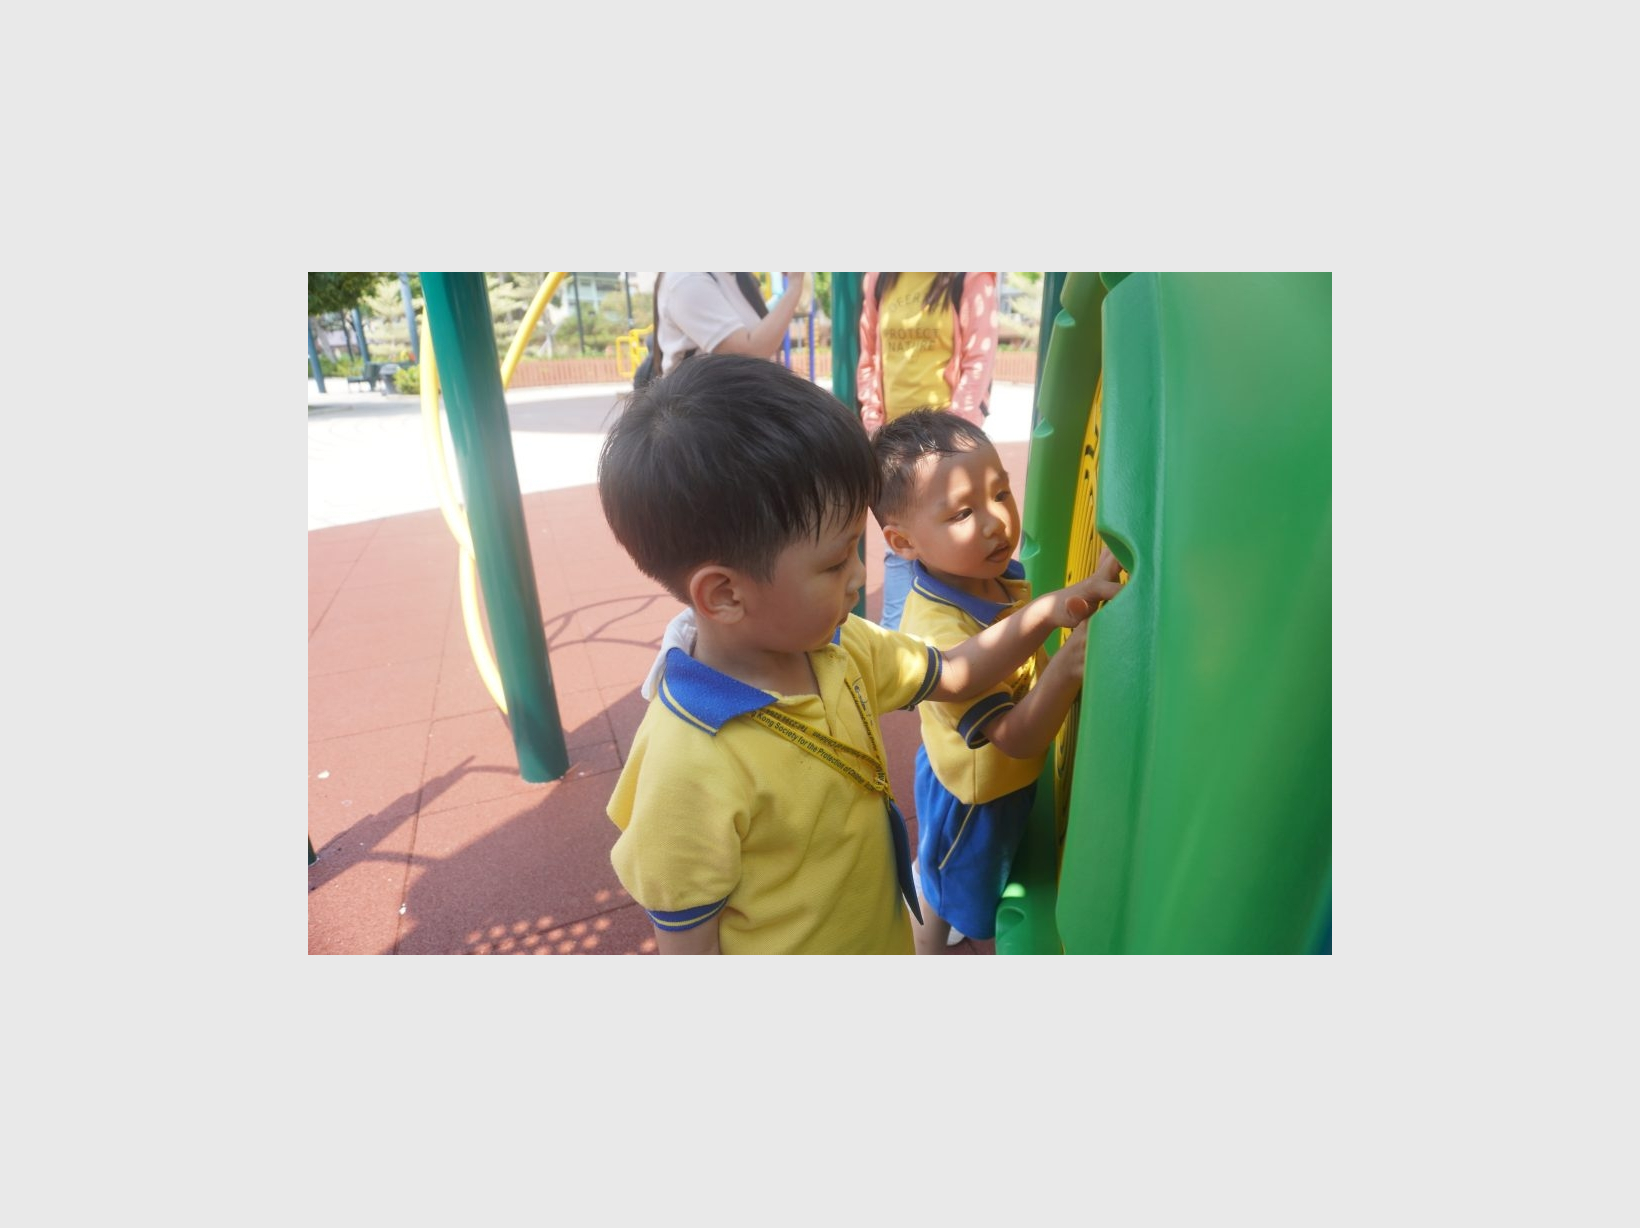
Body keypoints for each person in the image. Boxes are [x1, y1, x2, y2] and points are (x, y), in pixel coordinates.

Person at [597, 354, 1123, 955]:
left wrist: (1052, 611)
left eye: (857, 550)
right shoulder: (686, 766)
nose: (858, 579)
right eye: (834, 563)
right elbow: (689, 949)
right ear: (725, 594)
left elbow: (955, 671)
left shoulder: (840, 645)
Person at [871, 409, 1121, 954]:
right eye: (963, 512)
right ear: (903, 542)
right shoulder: (937, 629)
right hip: (973, 798)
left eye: (1001, 493)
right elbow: (1013, 736)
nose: (995, 522)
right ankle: (925, 944)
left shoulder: (989, 574)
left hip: (984, 771)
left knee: (955, 874)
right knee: (949, 895)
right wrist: (1068, 665)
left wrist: (1088, 587)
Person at [856, 272, 999, 630]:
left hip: (944, 450)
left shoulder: (968, 275)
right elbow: (869, 357)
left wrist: (952, 441)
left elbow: (978, 359)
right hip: (897, 451)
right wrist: (875, 427)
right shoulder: (880, 278)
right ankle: (898, 645)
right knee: (901, 549)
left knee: (955, 558)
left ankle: (967, 644)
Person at [652, 272, 809, 378]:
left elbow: (764, 342)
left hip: (736, 396)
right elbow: (746, 355)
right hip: (699, 407)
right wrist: (794, 286)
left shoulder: (737, 276)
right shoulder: (686, 278)